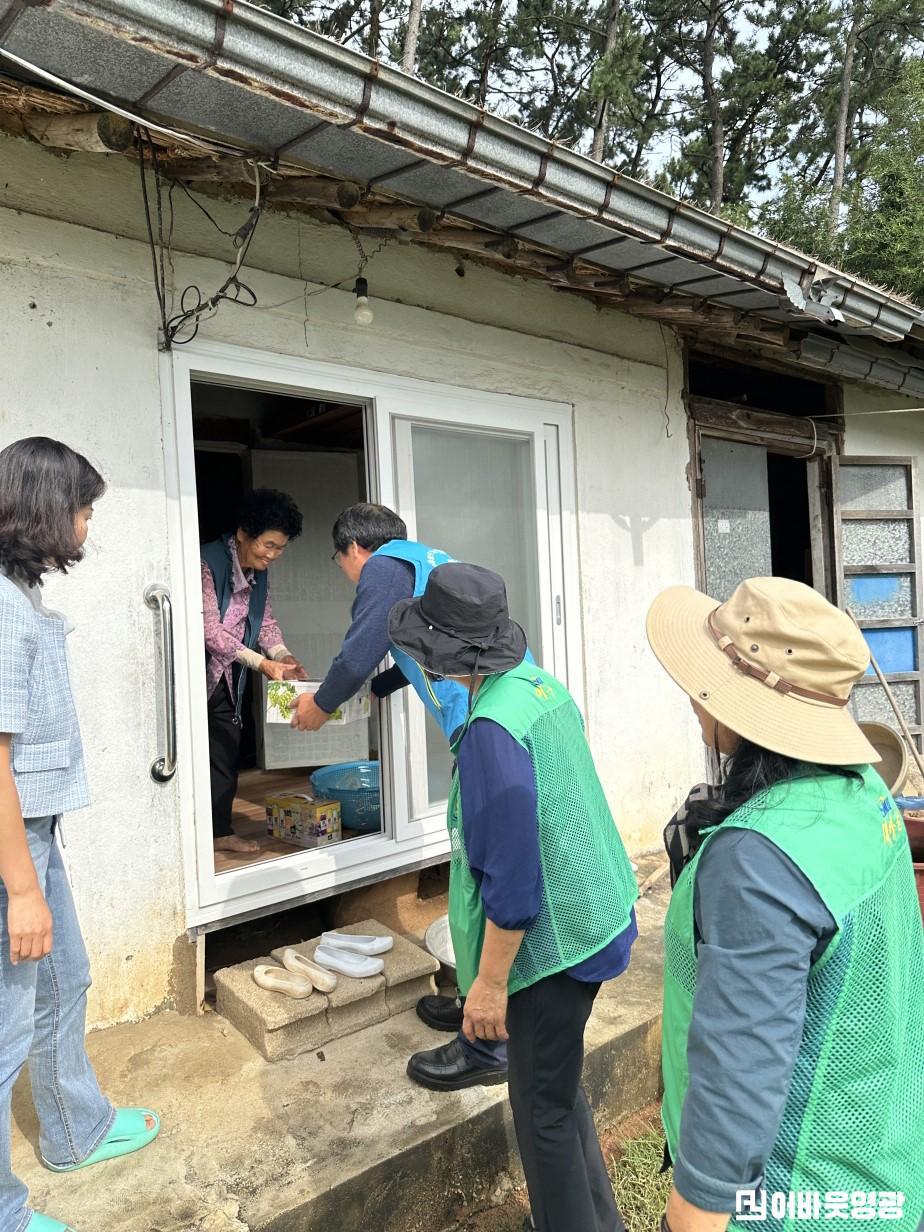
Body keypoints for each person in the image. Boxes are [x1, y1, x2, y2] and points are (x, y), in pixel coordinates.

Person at [645, 577, 924, 1232]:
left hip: (791, 1201)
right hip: (877, 1164)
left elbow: (736, 1080)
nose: (693, 696)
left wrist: (691, 1214)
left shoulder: (757, 861)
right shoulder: (863, 792)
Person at [388, 562, 639, 1232]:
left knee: (540, 1113)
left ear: (440, 654)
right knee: (556, 1087)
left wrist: (489, 985)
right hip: (597, 912)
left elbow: (514, 879)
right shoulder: (536, 686)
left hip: (556, 944)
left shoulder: (490, 734)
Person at [289, 503, 513, 1086]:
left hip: (484, 728)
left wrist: (322, 704)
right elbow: (418, 644)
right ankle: (474, 1001)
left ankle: (490, 1041)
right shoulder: (421, 561)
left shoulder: (383, 567)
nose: (347, 573)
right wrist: (384, 684)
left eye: (340, 561)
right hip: (494, 715)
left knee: (483, 876)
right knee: (472, 874)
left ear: (353, 549)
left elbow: (363, 643)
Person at [0, 437, 161, 1232]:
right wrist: (23, 889)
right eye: (83, 509)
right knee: (5, 1028)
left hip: (34, 827)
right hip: (12, 843)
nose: (88, 525)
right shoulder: (1, 605)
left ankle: (74, 1130)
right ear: (44, 508)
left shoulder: (17, 590)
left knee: (66, 978)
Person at [201, 489, 306, 855]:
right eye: (268, 545)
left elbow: (265, 623)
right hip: (198, 670)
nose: (272, 555)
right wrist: (263, 663)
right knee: (198, 751)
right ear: (244, 533)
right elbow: (209, 631)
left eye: (280, 548)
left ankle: (220, 832)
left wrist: (284, 657)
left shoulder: (258, 573)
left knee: (225, 751)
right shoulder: (206, 562)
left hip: (229, 674)